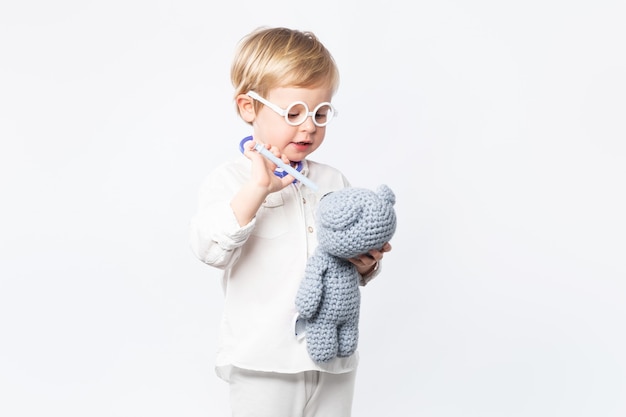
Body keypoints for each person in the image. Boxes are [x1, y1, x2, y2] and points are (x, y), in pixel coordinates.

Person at [190, 26, 392, 417]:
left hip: (332, 360)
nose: (309, 126)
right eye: (293, 112)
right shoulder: (231, 182)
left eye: (320, 112)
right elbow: (210, 249)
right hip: (264, 362)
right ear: (249, 107)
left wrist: (367, 264)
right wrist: (257, 189)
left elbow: (343, 265)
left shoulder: (331, 181)